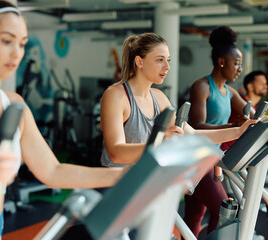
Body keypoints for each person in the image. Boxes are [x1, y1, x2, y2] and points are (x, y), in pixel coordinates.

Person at [0, 1, 124, 239]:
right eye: (6, 41)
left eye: (22, 44)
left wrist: (119, 175)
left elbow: (53, 171)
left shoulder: (16, 106)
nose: (17, 53)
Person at [100, 33, 256, 168]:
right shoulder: (116, 95)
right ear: (139, 62)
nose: (167, 67)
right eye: (160, 60)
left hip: (147, 182)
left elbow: (192, 134)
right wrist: (160, 142)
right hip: (116, 186)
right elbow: (116, 153)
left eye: (168, 60)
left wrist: (238, 131)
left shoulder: (159, 98)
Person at [186, 26, 255, 237]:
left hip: (213, 160)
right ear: (221, 62)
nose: (239, 70)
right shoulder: (202, 87)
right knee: (222, 212)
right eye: (236, 64)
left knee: (194, 217)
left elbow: (253, 114)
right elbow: (197, 125)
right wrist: (233, 127)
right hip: (197, 159)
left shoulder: (230, 92)